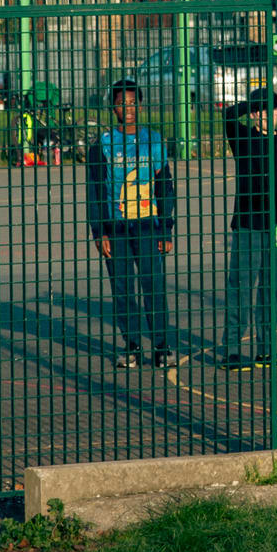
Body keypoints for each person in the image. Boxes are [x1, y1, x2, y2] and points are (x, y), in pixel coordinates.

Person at [86, 78, 176, 371]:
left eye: (132, 102)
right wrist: (99, 232)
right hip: (117, 227)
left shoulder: (155, 141)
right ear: (113, 107)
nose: (128, 108)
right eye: (121, 103)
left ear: (140, 104)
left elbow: (165, 187)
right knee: (123, 288)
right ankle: (133, 346)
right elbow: (95, 191)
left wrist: (166, 228)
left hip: (149, 225)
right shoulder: (103, 145)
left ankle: (162, 346)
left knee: (153, 285)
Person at [221, 85, 277, 369]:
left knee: (273, 290)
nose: (265, 114)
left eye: (270, 109)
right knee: (241, 288)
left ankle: (266, 349)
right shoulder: (244, 136)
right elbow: (229, 117)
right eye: (259, 110)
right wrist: (254, 106)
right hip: (248, 224)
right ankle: (233, 350)